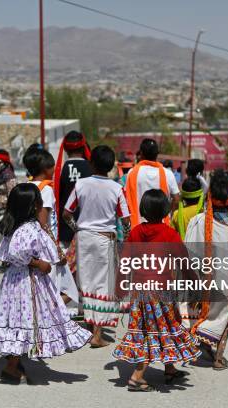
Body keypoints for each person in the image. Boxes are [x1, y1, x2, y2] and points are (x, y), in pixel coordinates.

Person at [0, 183, 91, 383]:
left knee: (19, 320)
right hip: (27, 281)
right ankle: (11, 366)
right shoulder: (28, 228)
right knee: (24, 320)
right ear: (34, 205)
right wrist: (38, 263)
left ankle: (14, 361)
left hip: (17, 280)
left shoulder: (16, 226)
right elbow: (16, 254)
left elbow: (7, 254)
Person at [113, 189, 201, 391]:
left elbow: (124, 262)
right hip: (161, 292)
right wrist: (196, 285)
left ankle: (169, 368)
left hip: (139, 291)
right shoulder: (169, 234)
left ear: (143, 209)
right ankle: (137, 377)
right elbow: (184, 264)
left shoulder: (135, 232)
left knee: (161, 327)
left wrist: (119, 287)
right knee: (155, 330)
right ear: (165, 210)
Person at [63, 145, 130, 347]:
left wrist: (77, 229)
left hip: (84, 238)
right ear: (111, 166)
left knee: (86, 284)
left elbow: (67, 213)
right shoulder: (117, 188)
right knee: (102, 286)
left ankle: (90, 328)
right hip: (104, 239)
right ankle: (97, 335)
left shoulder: (81, 185)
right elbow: (126, 219)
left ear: (91, 163)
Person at [184, 169, 228, 370]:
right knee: (223, 319)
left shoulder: (198, 222)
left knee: (202, 316)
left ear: (209, 196)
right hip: (226, 286)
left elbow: (188, 252)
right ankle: (219, 357)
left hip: (203, 284)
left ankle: (199, 343)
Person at [23, 145, 79, 306]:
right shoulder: (46, 190)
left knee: (42, 290)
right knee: (67, 290)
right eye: (53, 166)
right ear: (46, 169)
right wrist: (57, 249)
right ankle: (49, 318)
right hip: (46, 248)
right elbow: (43, 223)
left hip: (32, 246)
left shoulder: (27, 186)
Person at [125, 138, 180, 229]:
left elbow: (126, 199)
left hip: (138, 228)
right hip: (161, 228)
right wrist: (167, 212)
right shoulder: (168, 174)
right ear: (157, 154)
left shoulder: (132, 173)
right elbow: (177, 199)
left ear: (141, 153)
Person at [53, 131, 92, 248]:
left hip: (66, 227)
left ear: (65, 148)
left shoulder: (59, 170)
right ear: (83, 147)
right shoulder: (91, 168)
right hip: (89, 227)